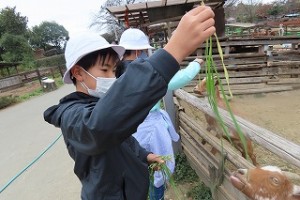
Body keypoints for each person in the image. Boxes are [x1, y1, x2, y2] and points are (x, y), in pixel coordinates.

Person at [43, 5, 215, 200]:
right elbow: (99, 128)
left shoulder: (100, 104)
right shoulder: (71, 115)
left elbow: (123, 139)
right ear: (78, 73)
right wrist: (173, 52)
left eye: (113, 71)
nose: (111, 77)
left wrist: (144, 155)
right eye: (104, 70)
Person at [119, 28, 204, 200]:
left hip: (131, 129)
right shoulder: (142, 71)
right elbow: (176, 80)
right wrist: (196, 64)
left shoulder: (118, 71)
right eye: (143, 51)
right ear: (137, 51)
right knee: (159, 169)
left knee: (141, 166)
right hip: (150, 127)